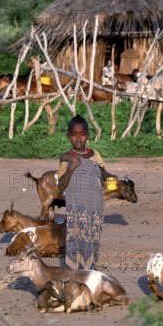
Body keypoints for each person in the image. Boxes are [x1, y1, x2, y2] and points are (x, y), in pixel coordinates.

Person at [57, 114, 114, 270]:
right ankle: (74, 274)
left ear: (88, 135)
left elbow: (103, 175)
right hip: (75, 211)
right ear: (68, 136)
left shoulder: (95, 156)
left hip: (94, 209)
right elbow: (61, 186)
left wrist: (114, 179)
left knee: (92, 242)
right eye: (74, 135)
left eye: (82, 134)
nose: (78, 138)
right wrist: (69, 169)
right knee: (75, 240)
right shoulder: (66, 157)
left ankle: (90, 272)